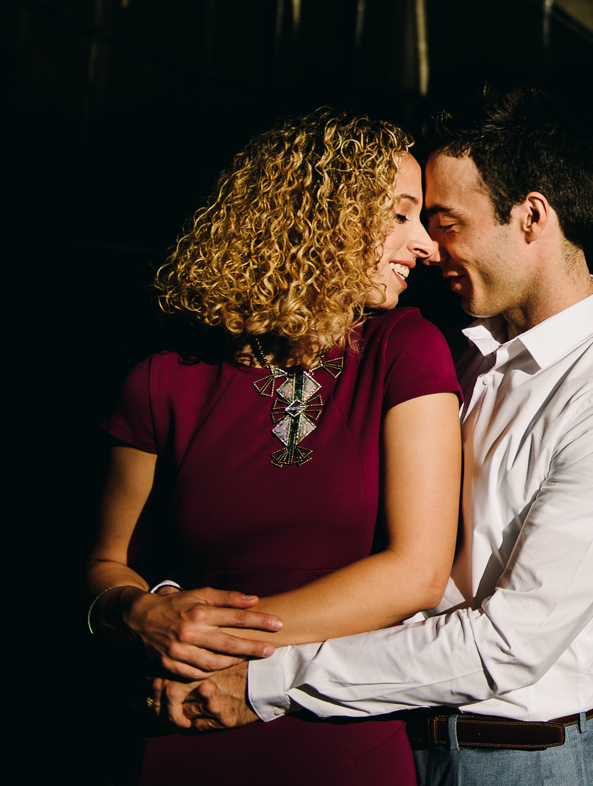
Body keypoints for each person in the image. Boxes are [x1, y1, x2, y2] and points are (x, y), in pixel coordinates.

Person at [179, 87, 593, 786]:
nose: (429, 247)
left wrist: (263, 680)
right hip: (389, 737)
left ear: (532, 216)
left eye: (447, 221)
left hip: (518, 760)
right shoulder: (465, 357)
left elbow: (505, 647)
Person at [87, 109, 463, 786]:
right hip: (182, 729)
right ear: (326, 217)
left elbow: (416, 572)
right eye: (401, 215)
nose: (426, 247)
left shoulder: (405, 350)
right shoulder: (164, 376)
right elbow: (108, 562)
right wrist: (138, 612)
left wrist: (224, 647)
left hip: (336, 741)